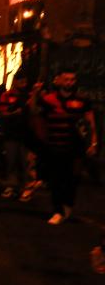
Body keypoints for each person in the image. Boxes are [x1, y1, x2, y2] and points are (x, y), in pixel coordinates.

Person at [31, 68, 97, 225]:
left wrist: (93, 142)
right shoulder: (48, 100)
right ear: (59, 80)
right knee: (56, 180)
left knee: (72, 179)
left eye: (72, 80)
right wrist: (35, 93)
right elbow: (34, 113)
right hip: (54, 147)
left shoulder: (82, 100)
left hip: (76, 149)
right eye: (66, 79)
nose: (69, 82)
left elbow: (90, 123)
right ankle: (57, 210)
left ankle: (67, 204)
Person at [0, 69, 32, 200]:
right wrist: (14, 114)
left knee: (24, 163)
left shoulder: (29, 96)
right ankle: (11, 186)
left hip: (25, 134)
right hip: (10, 134)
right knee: (11, 161)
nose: (23, 84)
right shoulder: (6, 95)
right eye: (21, 81)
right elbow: (2, 114)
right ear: (15, 81)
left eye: (25, 82)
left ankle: (25, 189)